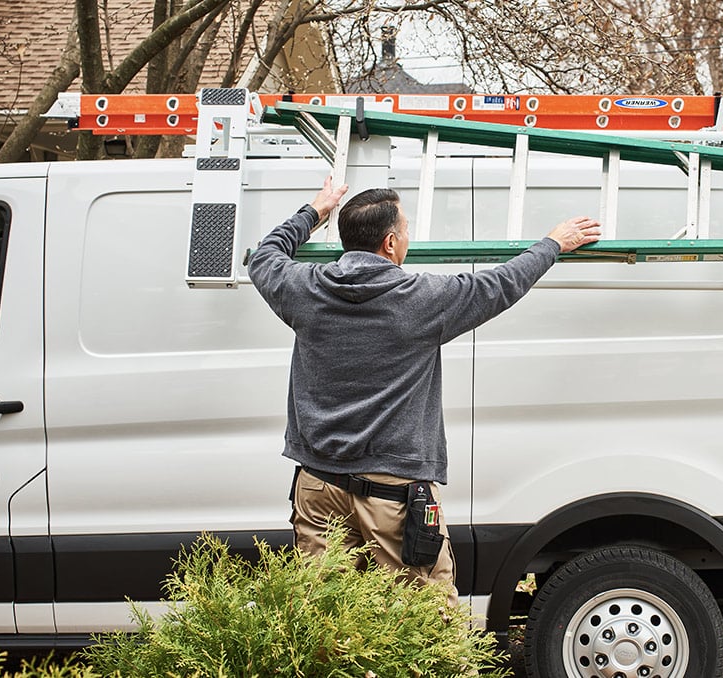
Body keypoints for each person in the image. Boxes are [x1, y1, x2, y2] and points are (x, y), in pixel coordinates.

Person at [248, 176, 600, 606]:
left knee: (327, 621)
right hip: (393, 497)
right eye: (408, 230)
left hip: (318, 488)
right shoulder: (422, 299)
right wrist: (554, 243)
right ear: (390, 242)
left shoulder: (304, 288)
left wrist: (315, 211)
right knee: (426, 623)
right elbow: (503, 283)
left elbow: (264, 255)